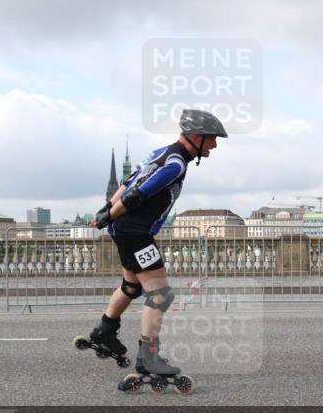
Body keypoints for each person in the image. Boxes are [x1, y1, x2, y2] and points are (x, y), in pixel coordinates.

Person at [81, 109, 227, 393]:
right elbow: (137, 195)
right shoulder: (176, 164)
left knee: (131, 287)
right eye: (212, 139)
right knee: (161, 294)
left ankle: (104, 332)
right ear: (196, 137)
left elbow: (127, 183)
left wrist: (106, 210)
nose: (215, 145)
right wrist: (110, 214)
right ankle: (148, 357)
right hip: (135, 232)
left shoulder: (160, 152)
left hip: (126, 230)